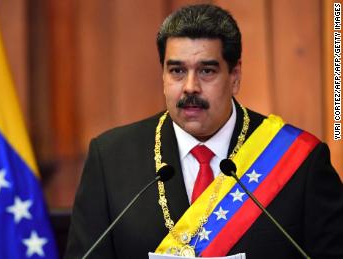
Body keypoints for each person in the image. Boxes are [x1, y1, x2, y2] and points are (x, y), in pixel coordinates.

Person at [65, 4, 343, 259]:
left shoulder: (298, 161)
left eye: (207, 71)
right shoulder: (112, 159)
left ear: (234, 77)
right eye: (176, 71)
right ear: (162, 76)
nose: (190, 87)